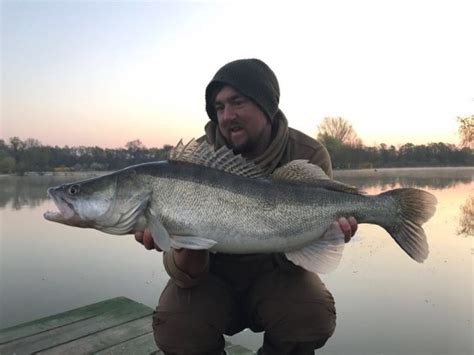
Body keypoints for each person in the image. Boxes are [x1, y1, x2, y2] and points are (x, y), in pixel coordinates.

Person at [135, 59, 357, 355]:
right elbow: (183, 274)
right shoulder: (192, 163)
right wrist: (185, 247)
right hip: (212, 277)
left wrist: (326, 233)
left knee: (310, 315)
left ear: (266, 106)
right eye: (219, 107)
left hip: (278, 272)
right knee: (177, 328)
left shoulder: (307, 154)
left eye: (237, 102)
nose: (226, 116)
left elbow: (305, 251)